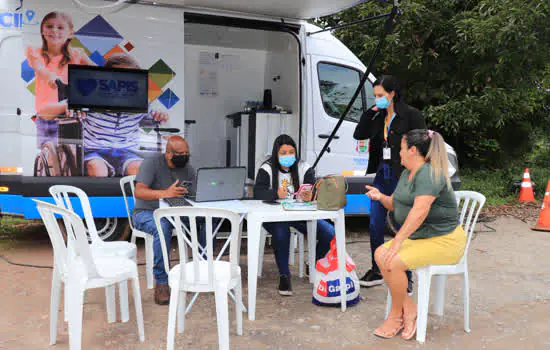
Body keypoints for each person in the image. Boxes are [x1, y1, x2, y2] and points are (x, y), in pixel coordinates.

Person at [366, 129, 465, 340]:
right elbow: (394, 204)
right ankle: (409, 309)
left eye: (401, 148)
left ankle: (395, 316)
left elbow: (419, 211)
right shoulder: (406, 173)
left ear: (412, 150)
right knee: (380, 254)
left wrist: (398, 241)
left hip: (445, 241)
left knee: (392, 260)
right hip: (422, 238)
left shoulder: (429, 173)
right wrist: (379, 196)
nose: (398, 152)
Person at [353, 75, 426, 292]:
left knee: (402, 224)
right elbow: (359, 134)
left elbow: (424, 146)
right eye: (375, 95)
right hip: (381, 176)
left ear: (392, 93)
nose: (377, 99)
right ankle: (377, 269)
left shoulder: (410, 115)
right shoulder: (378, 117)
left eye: (381, 95)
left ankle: (406, 273)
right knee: (375, 222)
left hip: (402, 177)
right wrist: (371, 111)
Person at [253, 134, 335, 296]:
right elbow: (257, 193)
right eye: (283, 153)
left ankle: (313, 263)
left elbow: (313, 190)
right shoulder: (267, 169)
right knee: (282, 232)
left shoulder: (304, 167)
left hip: (299, 215)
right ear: (276, 153)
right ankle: (284, 275)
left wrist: (310, 195)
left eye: (291, 152)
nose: (288, 156)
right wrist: (275, 193)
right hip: (274, 217)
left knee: (330, 233)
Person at [133, 136, 202, 305]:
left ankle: (201, 268)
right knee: (162, 225)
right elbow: (139, 192)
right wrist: (165, 193)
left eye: (187, 153)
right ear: (169, 154)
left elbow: (195, 192)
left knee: (207, 220)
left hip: (177, 211)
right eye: (180, 153)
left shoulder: (188, 168)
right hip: (146, 212)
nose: (185, 156)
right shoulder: (151, 163)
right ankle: (162, 281)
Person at [81, 53, 168, 177]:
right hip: (95, 150)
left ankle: (132, 196)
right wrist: (74, 110)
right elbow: (70, 109)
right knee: (97, 169)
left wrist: (160, 116)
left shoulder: (140, 100)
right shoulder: (91, 96)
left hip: (127, 151)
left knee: (139, 171)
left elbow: (150, 120)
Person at [26, 11, 94, 158]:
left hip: (71, 114)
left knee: (72, 158)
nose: (54, 31)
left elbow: (96, 72)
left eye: (60, 28)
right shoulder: (35, 51)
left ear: (70, 33)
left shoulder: (78, 54)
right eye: (49, 26)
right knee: (49, 157)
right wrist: (51, 77)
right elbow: (40, 68)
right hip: (47, 114)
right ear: (42, 30)